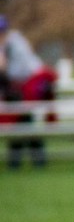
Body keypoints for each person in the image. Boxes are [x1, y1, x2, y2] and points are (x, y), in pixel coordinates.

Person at [0, 15, 56, 169]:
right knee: (20, 125)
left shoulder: (15, 45)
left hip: (25, 90)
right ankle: (25, 160)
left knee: (24, 124)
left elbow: (21, 71)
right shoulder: (7, 45)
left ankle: (26, 160)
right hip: (15, 93)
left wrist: (4, 68)